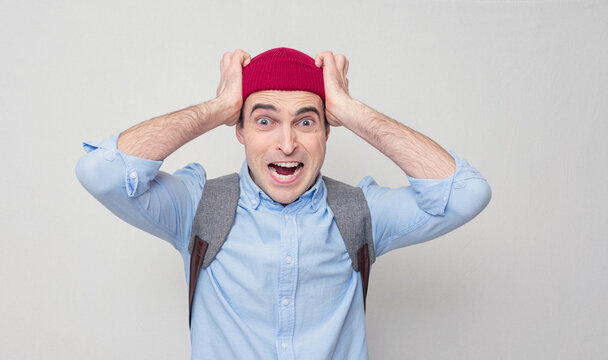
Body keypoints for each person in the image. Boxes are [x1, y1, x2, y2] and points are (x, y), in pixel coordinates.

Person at [76, 47, 491, 359]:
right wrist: (218, 106)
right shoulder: (199, 206)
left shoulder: (359, 212)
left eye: (306, 122)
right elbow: (102, 172)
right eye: (264, 120)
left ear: (328, 130)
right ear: (239, 130)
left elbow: (466, 193)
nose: (287, 143)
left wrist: (350, 108)